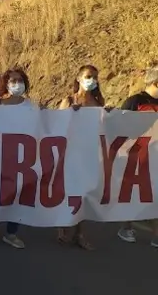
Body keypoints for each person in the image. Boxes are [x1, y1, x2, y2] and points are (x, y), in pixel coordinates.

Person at [56, 64, 111, 250]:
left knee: (85, 194)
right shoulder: (69, 100)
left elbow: (104, 128)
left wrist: (109, 115)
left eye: (95, 77)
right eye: (88, 76)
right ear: (79, 78)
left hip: (90, 153)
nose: (92, 80)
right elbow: (57, 127)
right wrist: (71, 114)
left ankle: (80, 232)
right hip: (71, 153)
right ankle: (63, 225)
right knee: (70, 191)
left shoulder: (98, 103)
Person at [0, 68, 34, 249]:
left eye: (20, 80)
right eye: (12, 81)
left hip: (22, 159)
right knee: (0, 193)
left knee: (18, 196)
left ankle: (12, 233)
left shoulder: (30, 106)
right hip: (1, 156)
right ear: (6, 83)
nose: (16, 84)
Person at [116, 66, 158, 247]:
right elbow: (120, 126)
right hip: (136, 155)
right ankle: (126, 227)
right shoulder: (135, 101)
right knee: (132, 194)